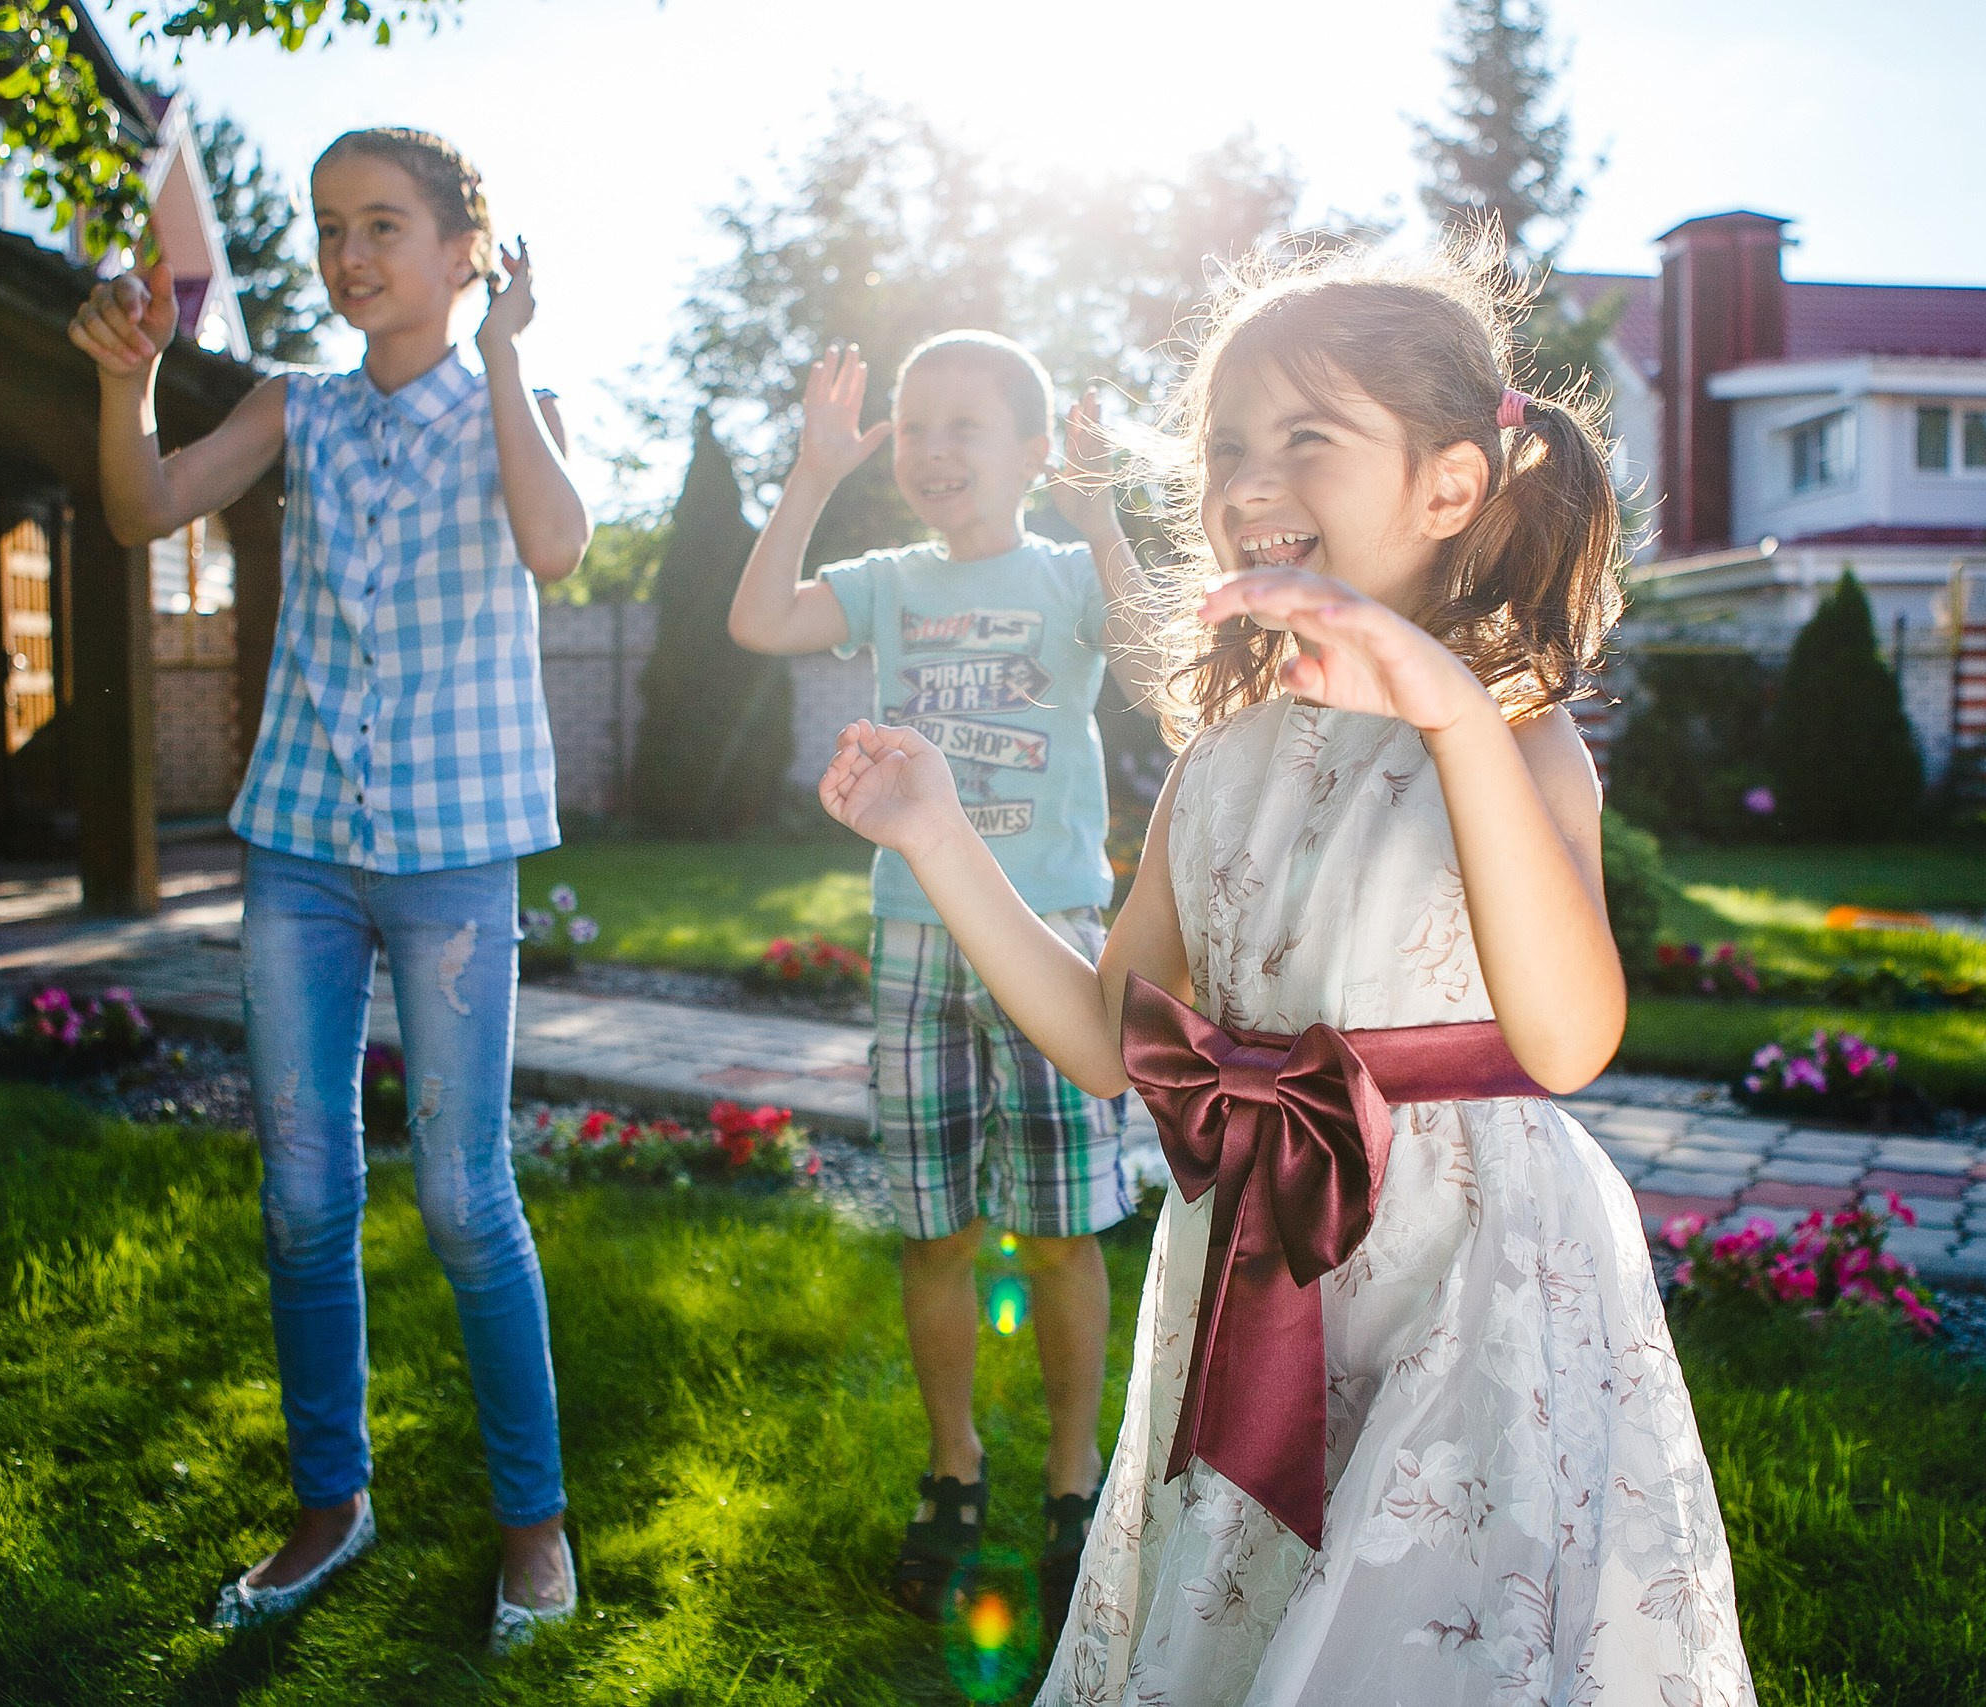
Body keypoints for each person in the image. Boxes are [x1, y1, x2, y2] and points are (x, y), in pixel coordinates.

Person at [818, 249, 1757, 1704]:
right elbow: (1106, 1039)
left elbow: (1567, 1042)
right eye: (1225, 447)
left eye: (1305, 436)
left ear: (1449, 487)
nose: (1249, 480)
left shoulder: (1513, 736)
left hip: (1464, 1269)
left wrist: (1449, 710)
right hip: (1254, 1247)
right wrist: (939, 835)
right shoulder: (1220, 758)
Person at [67, 126, 590, 1651]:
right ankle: (330, 1499)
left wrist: (504, 353)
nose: (347, 255)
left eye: (382, 225)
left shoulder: (522, 408)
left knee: (464, 1195)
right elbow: (143, 508)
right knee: (301, 1192)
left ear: (462, 249)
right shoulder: (294, 404)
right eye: (327, 226)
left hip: (453, 853)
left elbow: (557, 546)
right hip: (299, 843)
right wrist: (125, 383)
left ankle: (535, 1521)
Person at [728, 333, 1157, 1634]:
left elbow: (1160, 667)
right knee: (936, 1231)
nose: (931, 449)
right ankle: (955, 1465)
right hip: (916, 940)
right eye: (915, 426)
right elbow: (758, 620)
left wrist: (1102, 513)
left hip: (1052, 940)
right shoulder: (890, 584)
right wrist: (812, 473)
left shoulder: (1069, 575)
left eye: (965, 425)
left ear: (1032, 450)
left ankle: (1074, 1480)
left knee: (1064, 1229)